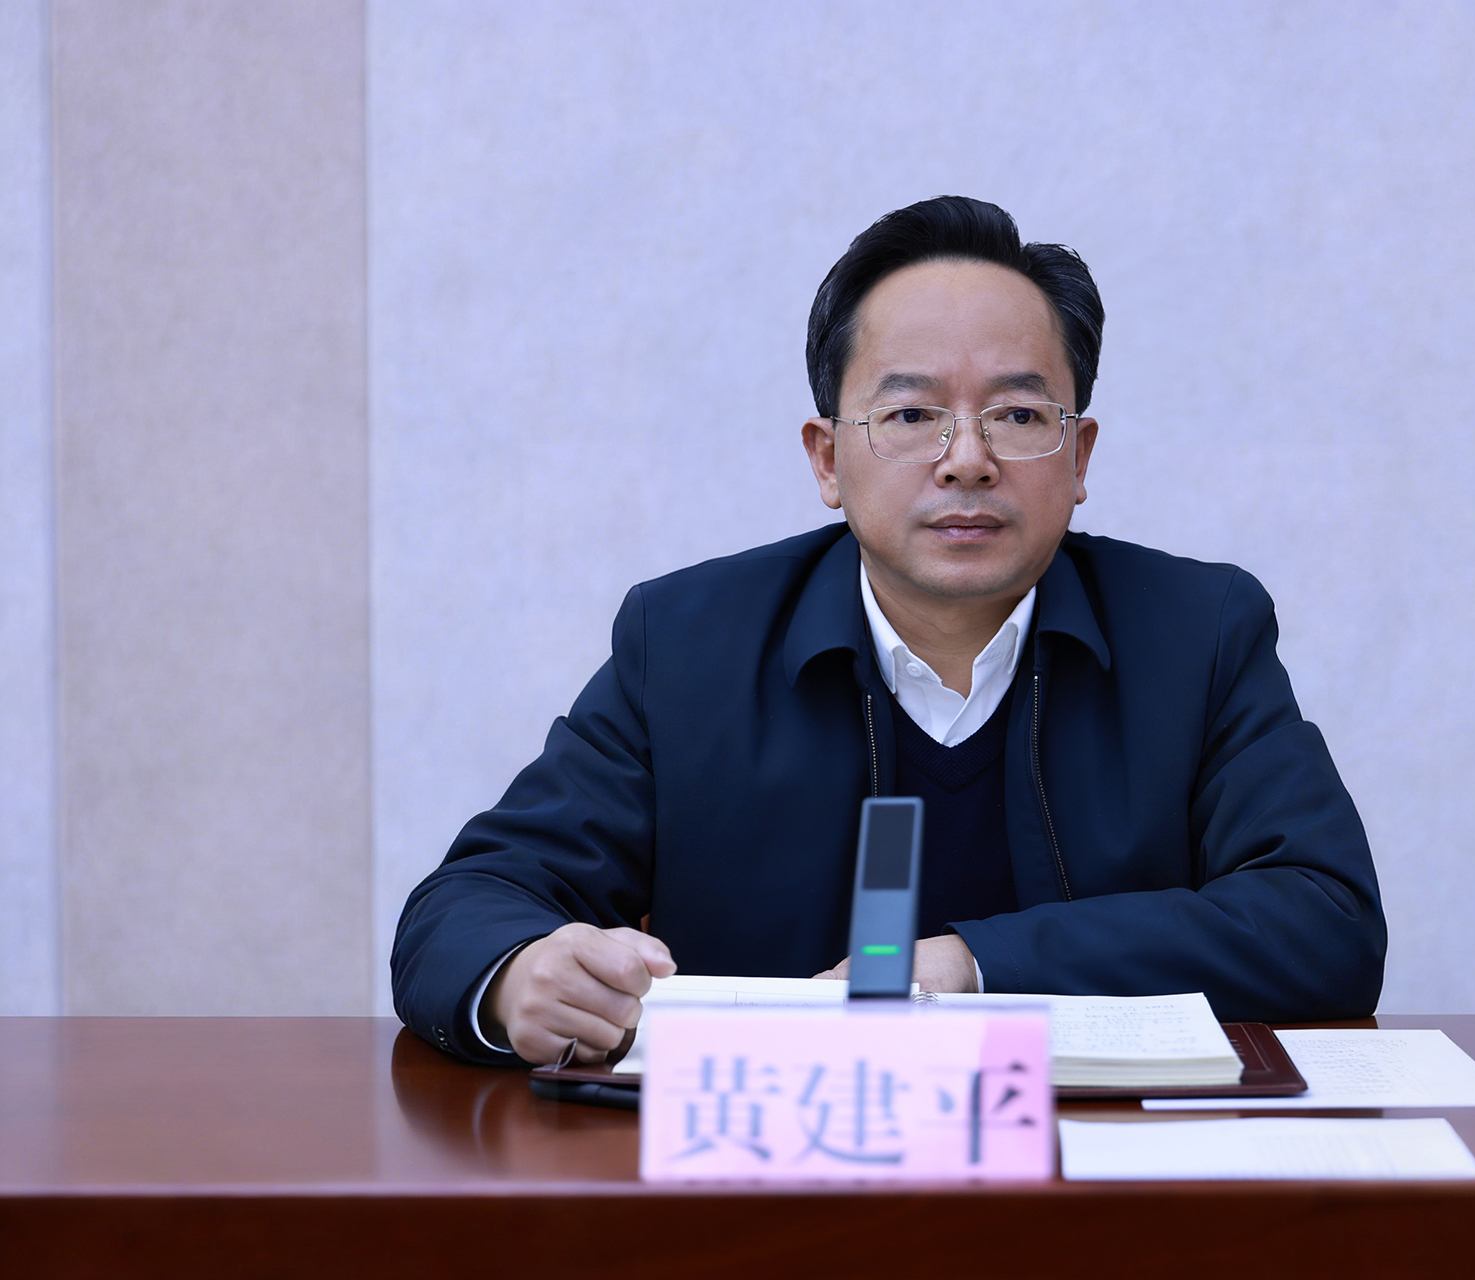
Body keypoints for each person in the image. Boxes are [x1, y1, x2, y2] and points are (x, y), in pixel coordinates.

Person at [391, 196, 1386, 1066]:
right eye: (911, 415)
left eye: (1018, 415)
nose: (967, 459)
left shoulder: (1198, 635)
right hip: (771, 1181)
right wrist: (516, 975)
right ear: (828, 458)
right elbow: (465, 904)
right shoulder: (689, 645)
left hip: (1097, 1175)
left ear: (1078, 456)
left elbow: (1324, 920)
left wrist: (977, 965)